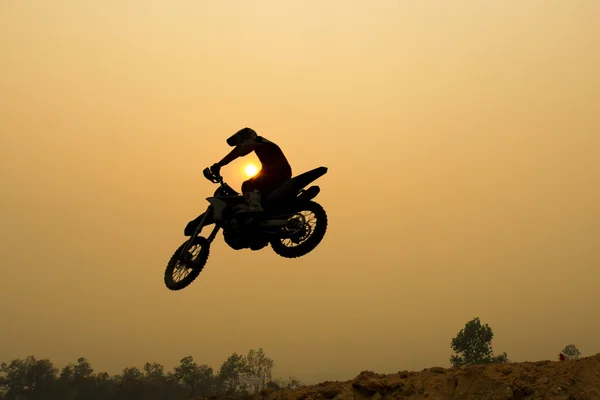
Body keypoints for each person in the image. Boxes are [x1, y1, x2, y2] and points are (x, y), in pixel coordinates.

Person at [208, 127, 292, 213]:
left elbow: (239, 151)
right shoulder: (263, 143)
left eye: (242, 142)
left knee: (249, 184)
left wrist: (219, 164)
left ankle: (255, 206)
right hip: (275, 173)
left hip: (278, 173)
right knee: (250, 184)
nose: (241, 145)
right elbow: (239, 150)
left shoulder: (260, 143)